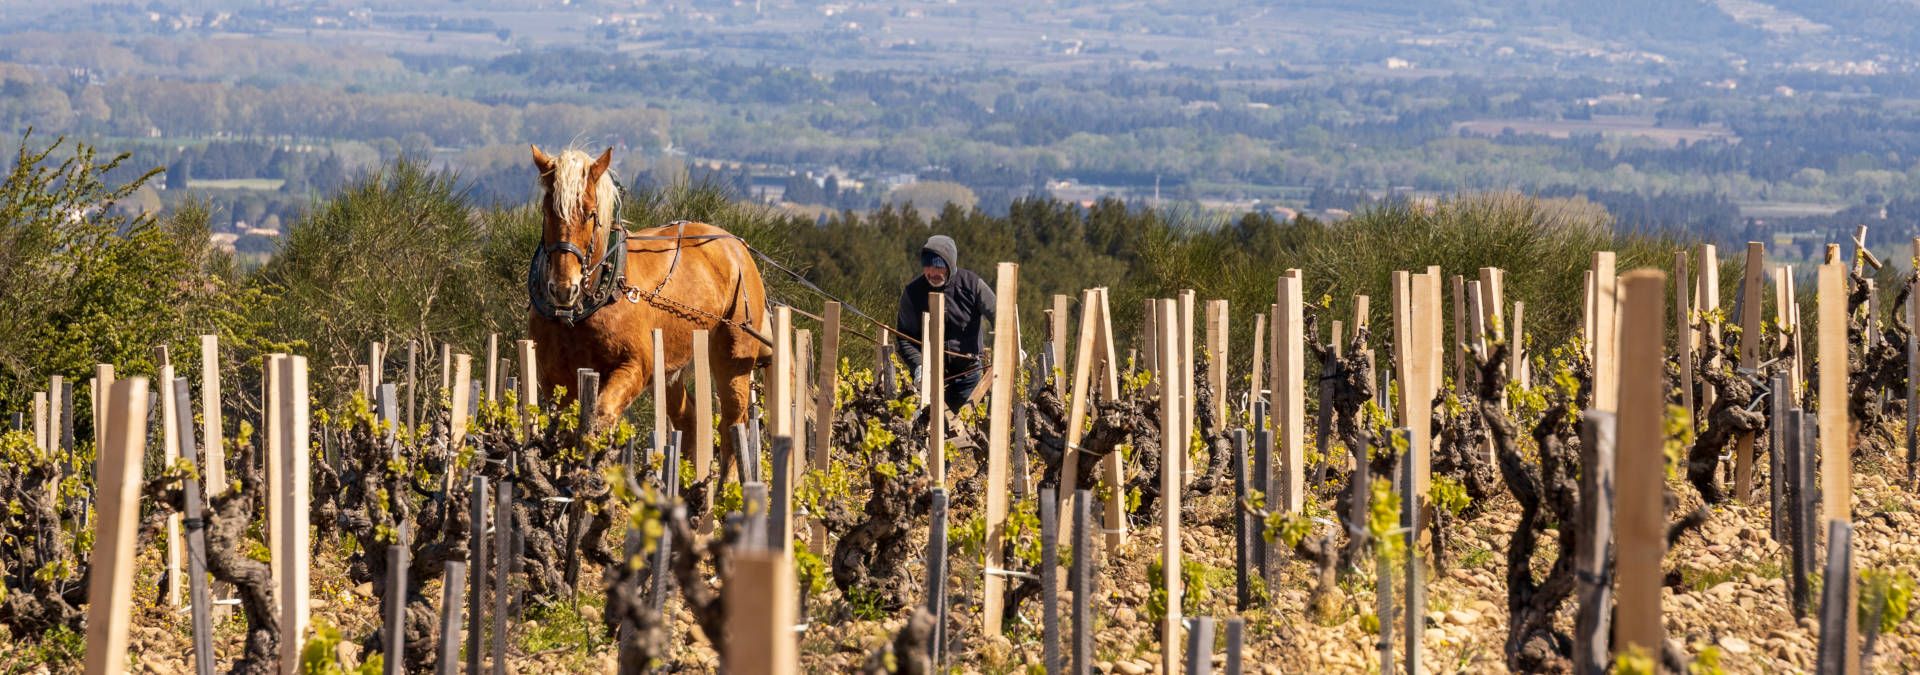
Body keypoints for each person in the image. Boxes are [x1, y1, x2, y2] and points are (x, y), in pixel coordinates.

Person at [895, 234, 995, 415]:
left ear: (950, 265)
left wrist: (1010, 342)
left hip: (968, 377)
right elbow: (904, 338)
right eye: (927, 267)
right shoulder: (912, 293)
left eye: (938, 267)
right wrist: (919, 366)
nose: (932, 273)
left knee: (962, 432)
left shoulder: (972, 285)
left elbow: (1000, 314)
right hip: (928, 380)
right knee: (924, 430)